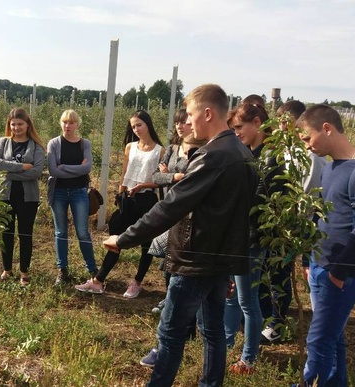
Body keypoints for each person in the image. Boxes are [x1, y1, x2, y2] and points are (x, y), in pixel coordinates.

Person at [103, 84, 257, 386]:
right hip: (218, 261)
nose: (187, 120)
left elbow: (171, 206)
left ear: (208, 113)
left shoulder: (212, 156)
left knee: (170, 333)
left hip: (194, 260)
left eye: (190, 114)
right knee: (212, 332)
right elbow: (242, 218)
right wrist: (230, 265)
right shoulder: (242, 152)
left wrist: (123, 239)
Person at [293, 104, 355, 387]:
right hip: (320, 266)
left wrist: (338, 273)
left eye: (307, 138)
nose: (307, 145)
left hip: (343, 273)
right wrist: (308, 259)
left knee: (319, 340)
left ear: (326, 128)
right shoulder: (330, 168)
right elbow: (319, 215)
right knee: (332, 335)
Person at [139, 108, 206, 368]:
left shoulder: (201, 151)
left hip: (187, 217)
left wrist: (174, 177)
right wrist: (174, 176)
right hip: (169, 215)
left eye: (185, 122)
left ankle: (185, 326)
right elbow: (156, 177)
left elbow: (193, 181)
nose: (180, 126)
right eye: (178, 123)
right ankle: (177, 314)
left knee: (182, 271)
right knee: (168, 268)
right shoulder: (171, 149)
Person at [75, 110, 164, 298]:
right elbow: (125, 173)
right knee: (116, 239)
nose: (136, 129)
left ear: (148, 124)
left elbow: (161, 180)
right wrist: (121, 193)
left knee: (146, 243)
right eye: (133, 126)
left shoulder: (160, 150)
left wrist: (143, 186)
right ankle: (98, 281)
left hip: (147, 198)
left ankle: (137, 282)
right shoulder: (130, 147)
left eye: (139, 124)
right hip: (129, 198)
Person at [259, 100, 327, 344]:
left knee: (280, 276)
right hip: (276, 226)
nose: (277, 129)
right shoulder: (283, 152)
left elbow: (305, 197)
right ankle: (268, 319)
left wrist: (287, 226)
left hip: (292, 229)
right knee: (269, 272)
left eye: (282, 124)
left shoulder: (311, 158)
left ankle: (277, 324)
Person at [225, 102, 286, 374]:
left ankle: (248, 359)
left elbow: (259, 201)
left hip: (252, 239)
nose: (236, 132)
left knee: (247, 301)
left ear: (258, 122)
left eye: (239, 127)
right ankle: (225, 344)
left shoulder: (271, 157)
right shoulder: (251, 153)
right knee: (233, 296)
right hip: (238, 236)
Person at [0, 108, 45, 286]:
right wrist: (22, 167)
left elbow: (36, 171)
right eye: (13, 124)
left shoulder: (36, 145)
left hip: (27, 197)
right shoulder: (3, 142)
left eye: (20, 124)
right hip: (4, 195)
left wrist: (8, 172)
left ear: (27, 124)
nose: (16, 127)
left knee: (25, 234)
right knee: (6, 233)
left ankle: (24, 272)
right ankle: (7, 269)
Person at [47, 109, 98, 285]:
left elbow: (87, 168)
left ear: (77, 124)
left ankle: (92, 269)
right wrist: (75, 169)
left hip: (79, 192)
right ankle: (62, 270)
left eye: (71, 122)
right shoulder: (53, 143)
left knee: (82, 232)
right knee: (60, 232)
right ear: (60, 123)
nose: (67, 126)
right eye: (65, 122)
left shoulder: (85, 144)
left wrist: (63, 167)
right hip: (58, 192)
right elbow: (53, 171)